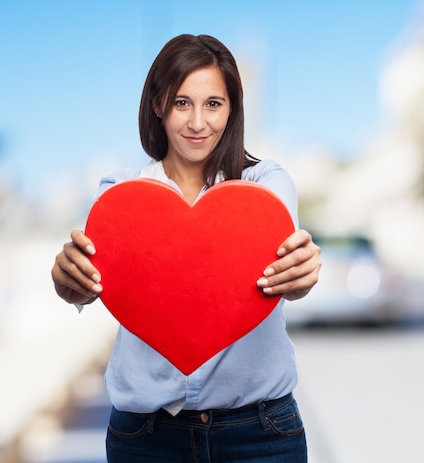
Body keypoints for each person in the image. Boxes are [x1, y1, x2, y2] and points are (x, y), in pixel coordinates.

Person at [51, 34, 321, 462]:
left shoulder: (265, 187)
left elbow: (285, 271)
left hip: (260, 433)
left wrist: (302, 277)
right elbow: (88, 284)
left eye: (214, 104)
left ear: (232, 109)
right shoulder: (121, 194)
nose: (198, 122)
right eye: (182, 103)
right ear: (158, 105)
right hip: (146, 438)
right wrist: (67, 281)